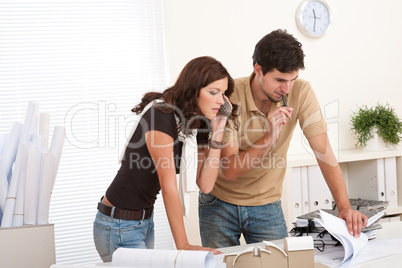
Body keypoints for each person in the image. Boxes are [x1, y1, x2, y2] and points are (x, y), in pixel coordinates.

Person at [198, 29, 368, 248]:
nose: (287, 88)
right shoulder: (229, 95)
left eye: (292, 79)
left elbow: (323, 152)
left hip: (266, 204)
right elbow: (230, 170)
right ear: (258, 69)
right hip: (219, 203)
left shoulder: (302, 92)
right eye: (279, 80)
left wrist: (344, 207)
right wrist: (269, 137)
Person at [93, 56, 237, 262]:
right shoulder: (161, 114)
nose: (221, 100)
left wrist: (219, 129)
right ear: (193, 89)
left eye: (223, 94)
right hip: (118, 224)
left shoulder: (195, 124)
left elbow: (205, 184)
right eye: (213, 92)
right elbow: (168, 185)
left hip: (142, 222)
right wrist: (184, 245)